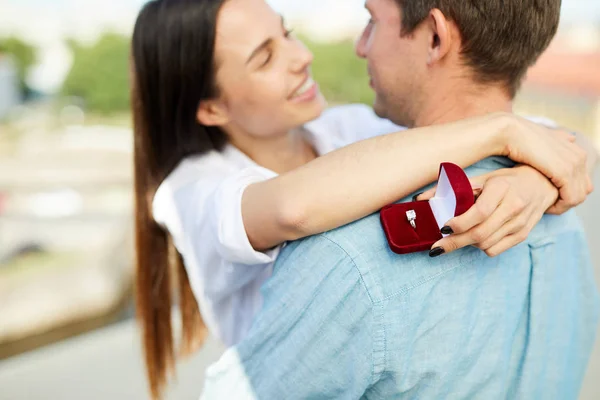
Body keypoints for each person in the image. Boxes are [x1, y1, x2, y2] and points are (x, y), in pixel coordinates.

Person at [200, 0, 600, 399]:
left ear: (435, 38)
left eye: (372, 21)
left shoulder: (344, 259)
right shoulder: (563, 222)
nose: (360, 45)